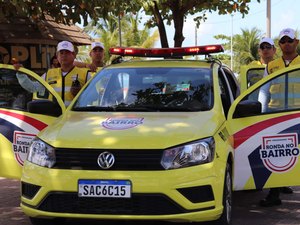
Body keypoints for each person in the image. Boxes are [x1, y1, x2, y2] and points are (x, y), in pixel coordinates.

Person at [259, 28, 300, 207]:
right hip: (275, 116)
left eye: (289, 41)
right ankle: (274, 194)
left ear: (296, 42)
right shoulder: (271, 66)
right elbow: (263, 90)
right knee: (276, 155)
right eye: (283, 41)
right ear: (280, 44)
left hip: (297, 115)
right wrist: (260, 113)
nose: (286, 44)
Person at [14, 40, 91, 106]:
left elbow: (94, 97)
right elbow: (33, 88)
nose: (64, 55)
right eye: (61, 53)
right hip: (54, 118)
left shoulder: (85, 74)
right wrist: (21, 74)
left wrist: (81, 94)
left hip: (75, 118)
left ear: (74, 55)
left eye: (67, 52)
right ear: (57, 56)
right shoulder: (49, 73)